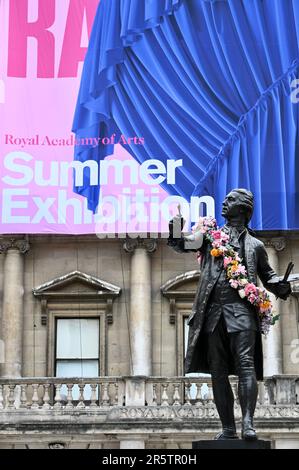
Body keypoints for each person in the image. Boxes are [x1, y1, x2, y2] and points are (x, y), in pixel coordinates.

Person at [168, 189, 291, 440]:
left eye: (231, 199)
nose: (225, 202)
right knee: (218, 370)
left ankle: (247, 424)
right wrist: (177, 224)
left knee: (246, 365)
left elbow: (268, 277)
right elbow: (181, 243)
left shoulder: (256, 246)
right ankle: (227, 428)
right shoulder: (210, 237)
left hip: (242, 312)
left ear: (244, 208)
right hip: (212, 313)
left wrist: (282, 285)